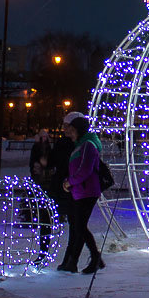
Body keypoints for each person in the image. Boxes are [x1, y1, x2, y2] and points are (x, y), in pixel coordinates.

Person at [58, 115, 103, 274]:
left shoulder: (88, 145)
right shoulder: (81, 144)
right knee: (79, 227)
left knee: (80, 227)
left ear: (77, 129)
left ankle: (96, 258)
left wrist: (70, 182)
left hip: (87, 191)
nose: (68, 130)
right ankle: (84, 260)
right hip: (80, 191)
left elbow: (85, 170)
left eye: (70, 127)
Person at [29, 131, 59, 252]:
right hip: (40, 177)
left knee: (45, 210)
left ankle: (43, 250)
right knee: (41, 206)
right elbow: (33, 160)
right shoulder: (36, 147)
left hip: (47, 178)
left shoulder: (49, 148)